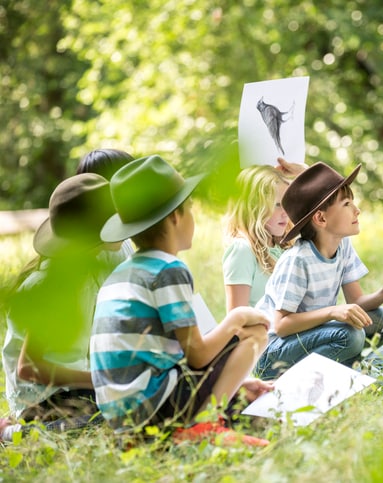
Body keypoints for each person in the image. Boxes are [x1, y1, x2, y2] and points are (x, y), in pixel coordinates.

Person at [89, 155, 272, 443]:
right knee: (255, 331)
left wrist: (233, 382)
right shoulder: (168, 269)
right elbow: (197, 354)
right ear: (176, 216)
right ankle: (206, 424)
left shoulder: (121, 273)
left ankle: (209, 416)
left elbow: (173, 355)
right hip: (154, 407)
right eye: (189, 208)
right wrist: (236, 319)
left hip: (122, 415)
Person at [254, 162, 383, 380]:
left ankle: (348, 365)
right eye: (346, 204)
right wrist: (332, 312)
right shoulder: (298, 260)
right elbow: (281, 325)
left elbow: (358, 302)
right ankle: (311, 377)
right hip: (273, 353)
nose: (357, 209)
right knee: (351, 336)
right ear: (321, 218)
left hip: (314, 336)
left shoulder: (342, 246)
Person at [1, 173, 123, 441]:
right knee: (113, 421)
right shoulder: (49, 286)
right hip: (44, 398)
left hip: (75, 385)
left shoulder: (96, 262)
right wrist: (96, 378)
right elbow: (28, 367)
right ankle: (15, 433)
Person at [222, 165, 293, 311]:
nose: (285, 212)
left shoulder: (283, 246)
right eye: (277, 205)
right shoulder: (242, 250)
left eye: (287, 203)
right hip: (264, 332)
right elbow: (237, 317)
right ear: (254, 207)